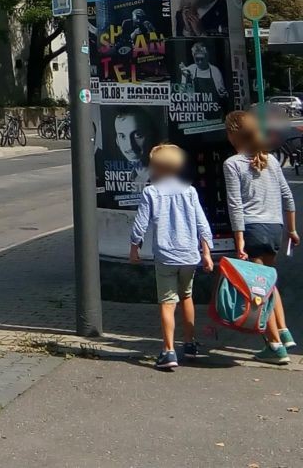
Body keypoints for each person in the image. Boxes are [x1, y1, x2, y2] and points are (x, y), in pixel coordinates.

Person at [223, 111, 299, 365]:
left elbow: (235, 205)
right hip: (274, 228)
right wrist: (292, 229)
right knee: (268, 282)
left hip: (252, 230)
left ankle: (275, 345)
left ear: (233, 134)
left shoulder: (232, 164)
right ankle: (285, 331)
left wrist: (239, 241)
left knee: (258, 291)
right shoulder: (271, 160)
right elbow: (288, 196)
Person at [130, 144, 214, 370]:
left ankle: (168, 351)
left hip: (166, 256)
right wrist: (206, 252)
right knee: (187, 297)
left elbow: (141, 223)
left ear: (156, 167)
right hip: (189, 255)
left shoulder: (152, 192)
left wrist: (134, 247)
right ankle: (190, 343)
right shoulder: (190, 191)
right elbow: (202, 223)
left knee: (167, 303)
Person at [113, 107, 154, 187]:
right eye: (122, 136)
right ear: (117, 141)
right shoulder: (132, 176)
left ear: (150, 136)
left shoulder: (164, 179)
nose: (130, 145)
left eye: (137, 135)